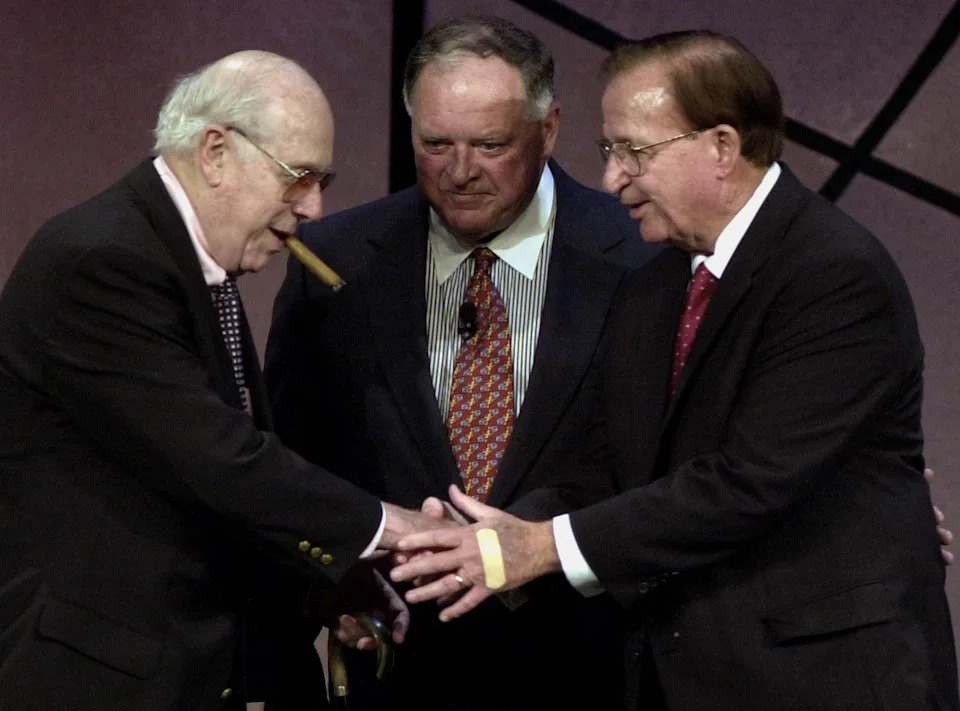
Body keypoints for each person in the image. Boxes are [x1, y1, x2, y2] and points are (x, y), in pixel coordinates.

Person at [392, 30, 960, 710]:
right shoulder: (655, 284)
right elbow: (612, 464)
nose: (612, 179)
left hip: (824, 678)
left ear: (721, 147)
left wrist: (542, 546)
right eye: (609, 152)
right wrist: (490, 534)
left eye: (634, 152)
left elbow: (747, 482)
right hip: (686, 677)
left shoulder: (832, 273)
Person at [0, 50, 443, 710]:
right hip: (95, 680)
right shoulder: (102, 260)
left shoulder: (190, 263)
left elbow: (204, 497)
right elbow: (219, 461)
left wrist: (325, 581)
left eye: (322, 181)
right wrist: (390, 527)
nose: (314, 206)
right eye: (298, 178)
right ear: (215, 153)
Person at [264, 15, 660, 711]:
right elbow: (289, 460)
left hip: (592, 660)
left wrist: (520, 544)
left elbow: (661, 463)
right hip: (398, 665)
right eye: (435, 143)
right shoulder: (336, 260)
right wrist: (330, 584)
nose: (460, 171)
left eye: (491, 145)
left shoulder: (645, 256)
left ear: (549, 130)